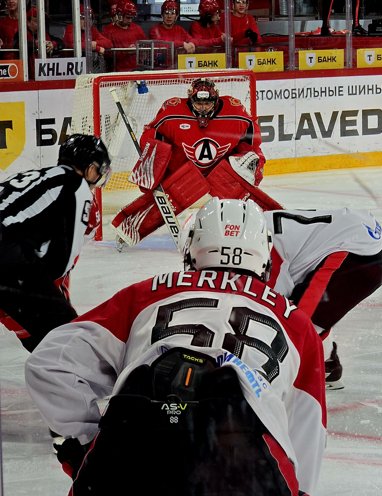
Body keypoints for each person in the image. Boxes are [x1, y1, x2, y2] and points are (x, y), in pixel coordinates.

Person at [25, 198, 325, 496]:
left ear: (192, 248)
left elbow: (48, 363)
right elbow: (307, 432)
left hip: (138, 433)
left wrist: (88, 444)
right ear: (264, 257)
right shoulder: (298, 324)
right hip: (239, 446)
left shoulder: (146, 293)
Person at [111, 77, 267, 247]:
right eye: (198, 103)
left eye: (207, 103)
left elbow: (252, 134)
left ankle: (264, 224)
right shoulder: (173, 111)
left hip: (220, 168)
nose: (203, 108)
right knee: (169, 197)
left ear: (216, 100)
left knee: (242, 192)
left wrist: (253, 161)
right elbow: (153, 132)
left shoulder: (235, 112)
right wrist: (152, 160)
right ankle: (129, 229)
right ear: (190, 99)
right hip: (184, 167)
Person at [0, 134, 110, 352]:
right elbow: (61, 263)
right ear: (88, 168)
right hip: (6, 254)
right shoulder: (77, 186)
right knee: (66, 340)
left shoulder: (37, 176)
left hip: (9, 250)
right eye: (98, 169)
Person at [261, 208, 382, 389]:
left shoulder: (260, 243)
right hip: (357, 247)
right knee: (302, 316)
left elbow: (272, 301)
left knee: (295, 322)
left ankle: (309, 372)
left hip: (356, 256)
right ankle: (327, 365)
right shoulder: (254, 228)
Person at [102, 1, 145, 72]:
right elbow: (106, 54)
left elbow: (146, 47)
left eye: (132, 18)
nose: (130, 20)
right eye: (128, 17)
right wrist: (126, 52)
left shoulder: (137, 29)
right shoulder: (108, 31)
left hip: (137, 70)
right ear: (119, 15)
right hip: (117, 72)